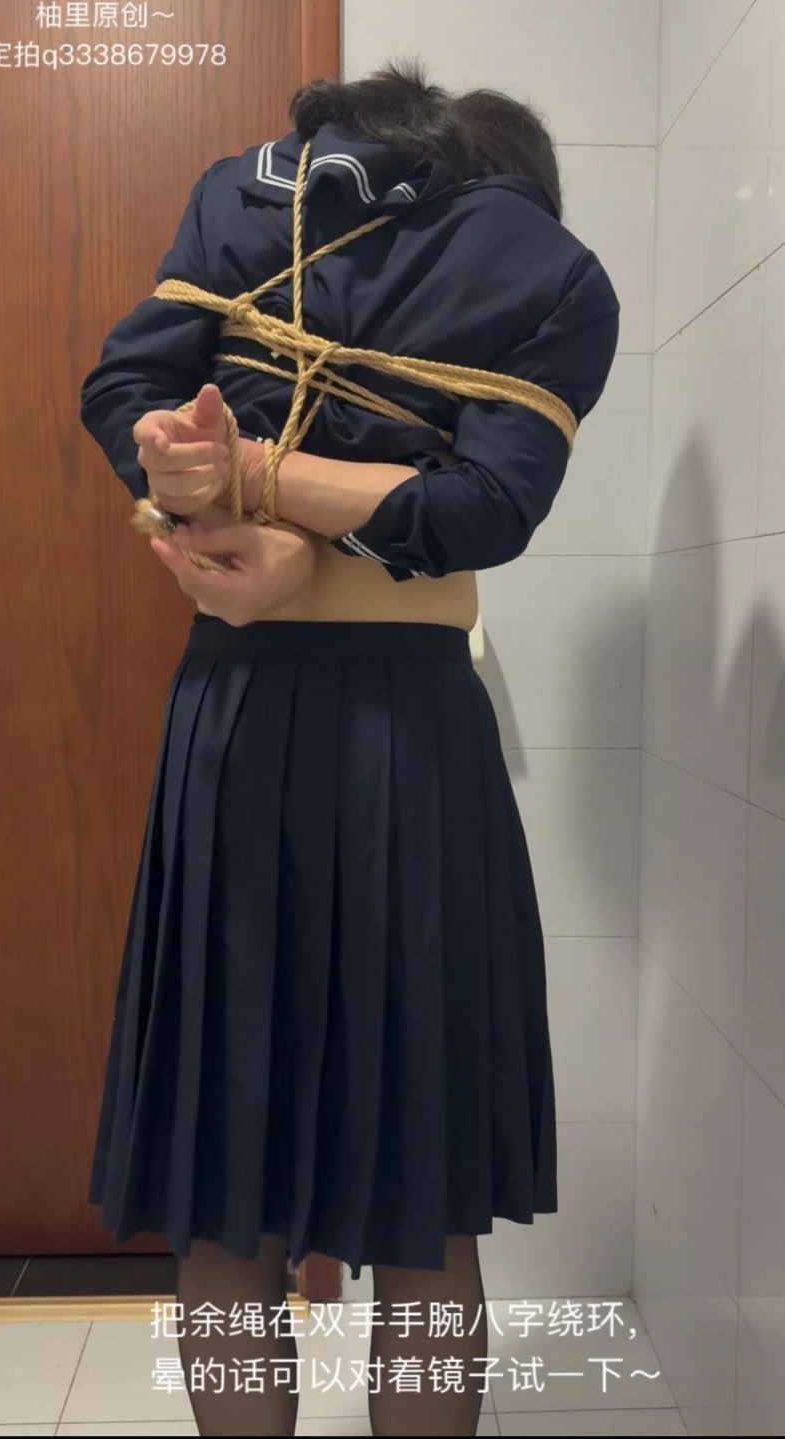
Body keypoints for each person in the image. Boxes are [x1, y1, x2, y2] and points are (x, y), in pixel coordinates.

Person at [80, 59, 619, 1438]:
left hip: (238, 724)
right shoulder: (551, 279)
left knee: (228, 1179)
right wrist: (209, 488)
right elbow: (477, 510)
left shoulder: (253, 215)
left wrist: (223, 479)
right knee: (422, 1192)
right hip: (408, 739)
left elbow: (136, 396)